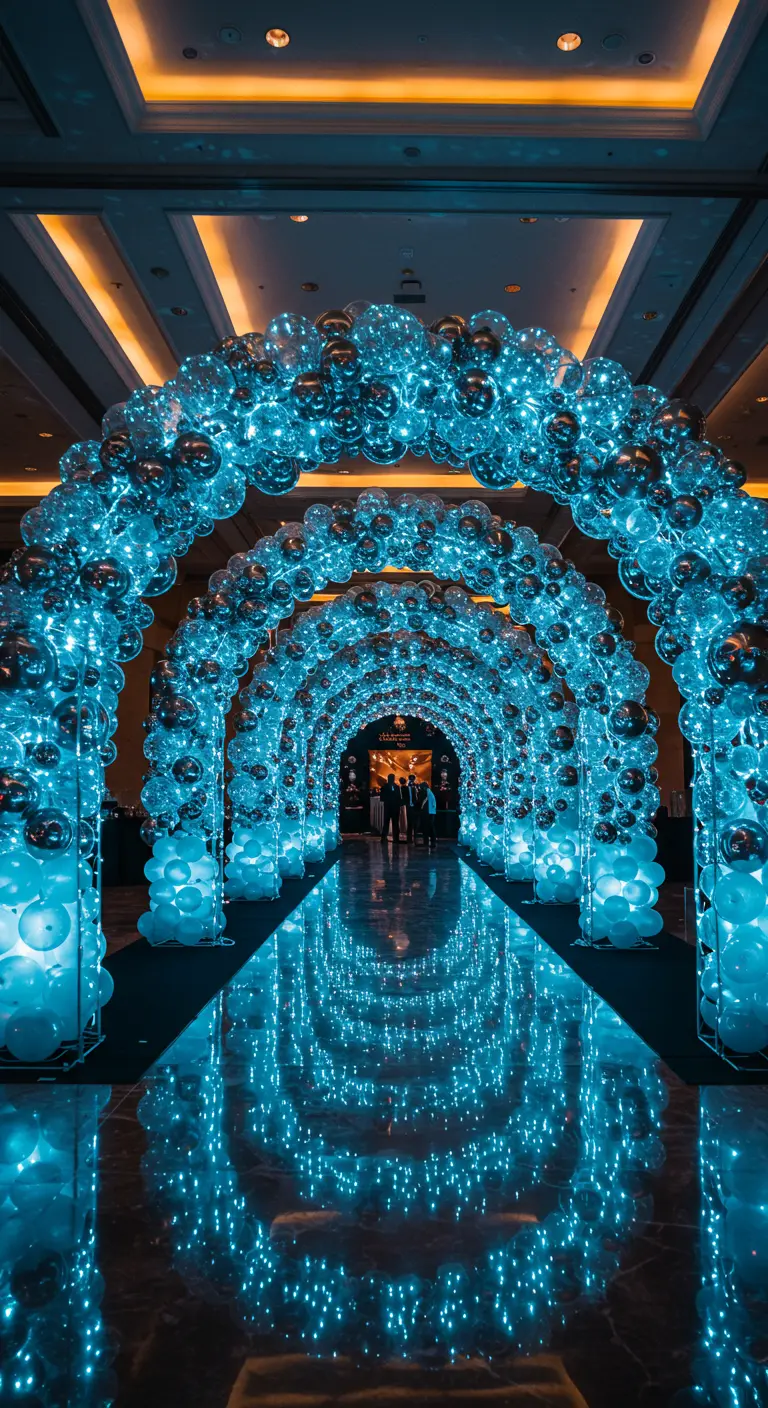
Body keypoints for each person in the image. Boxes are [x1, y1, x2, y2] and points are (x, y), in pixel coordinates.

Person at [380, 773, 401, 842]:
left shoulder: (397, 787)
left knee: (395, 823)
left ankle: (396, 838)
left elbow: (399, 797)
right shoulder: (384, 787)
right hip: (388, 808)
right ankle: (383, 838)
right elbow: (382, 797)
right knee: (386, 823)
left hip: (395, 808)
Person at [419, 782, 437, 852]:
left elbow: (423, 802)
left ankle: (429, 841)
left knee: (429, 827)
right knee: (430, 827)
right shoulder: (430, 793)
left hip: (429, 813)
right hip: (431, 812)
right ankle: (432, 841)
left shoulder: (427, 793)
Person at [404, 774, 420, 843]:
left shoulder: (415, 788)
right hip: (409, 807)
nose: (411, 781)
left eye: (413, 780)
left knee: (415, 823)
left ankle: (415, 836)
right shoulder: (406, 788)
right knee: (409, 823)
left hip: (415, 807)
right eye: (410, 780)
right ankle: (409, 838)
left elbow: (417, 797)